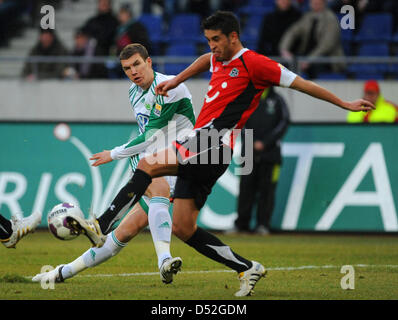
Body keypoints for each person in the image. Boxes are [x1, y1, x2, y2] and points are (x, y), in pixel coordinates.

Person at [69, 11, 374, 297]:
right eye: (208, 40)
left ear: (233, 36)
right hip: (204, 145)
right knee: (183, 227)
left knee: (150, 162)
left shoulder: (256, 64)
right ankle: (247, 268)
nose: (212, 46)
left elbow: (302, 84)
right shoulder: (216, 58)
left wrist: (344, 104)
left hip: (215, 141)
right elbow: (204, 60)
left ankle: (103, 223)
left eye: (216, 39)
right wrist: (178, 78)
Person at [32, 43, 196, 285]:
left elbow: (152, 135)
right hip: (153, 163)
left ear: (149, 62)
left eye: (137, 64)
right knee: (123, 234)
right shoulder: (133, 92)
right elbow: (148, 136)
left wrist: (115, 153)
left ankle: (103, 224)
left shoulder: (169, 87)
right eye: (127, 68)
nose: (133, 72)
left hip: (181, 160)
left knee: (151, 193)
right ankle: (60, 273)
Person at [234, 87, 290, 235]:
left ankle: (263, 225)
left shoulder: (277, 100)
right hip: (248, 153)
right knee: (245, 188)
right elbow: (240, 121)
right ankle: (241, 225)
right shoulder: (248, 98)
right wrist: (252, 141)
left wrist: (266, 142)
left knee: (267, 191)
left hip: (270, 154)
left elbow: (284, 122)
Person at [279, 0, 344, 78]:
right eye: (313, 3)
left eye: (318, 3)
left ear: (324, 3)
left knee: (314, 67)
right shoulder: (308, 16)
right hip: (307, 56)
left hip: (327, 58)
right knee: (285, 64)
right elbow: (292, 32)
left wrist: (310, 60)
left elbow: (326, 45)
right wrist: (284, 49)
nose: (315, 5)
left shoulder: (331, 19)